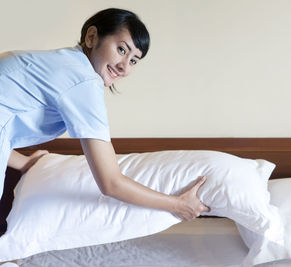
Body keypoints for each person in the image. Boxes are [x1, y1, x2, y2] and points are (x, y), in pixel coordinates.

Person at [0, 8, 210, 221]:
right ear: (92, 37)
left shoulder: (65, 63)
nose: (124, 66)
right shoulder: (83, 82)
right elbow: (110, 183)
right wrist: (178, 204)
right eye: (121, 49)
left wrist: (23, 163)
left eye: (134, 60)